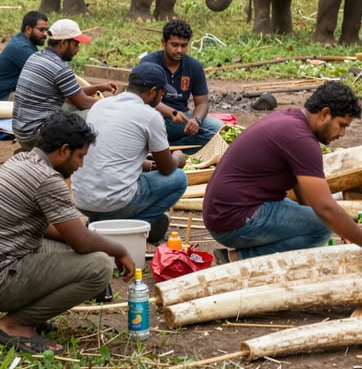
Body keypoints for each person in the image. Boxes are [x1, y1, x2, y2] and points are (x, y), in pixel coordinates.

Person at [202, 81, 362, 270]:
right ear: (325, 114)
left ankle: (236, 256)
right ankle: (237, 259)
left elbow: (305, 193)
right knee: (321, 228)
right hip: (233, 220)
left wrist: (342, 227)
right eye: (341, 125)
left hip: (226, 211)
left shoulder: (293, 119)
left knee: (323, 221)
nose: (342, 133)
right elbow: (324, 207)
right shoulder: (301, 140)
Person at [0, 113, 135, 354]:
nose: (81, 165)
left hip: (9, 255)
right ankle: (15, 325)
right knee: (99, 266)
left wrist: (86, 238)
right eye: (80, 156)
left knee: (71, 248)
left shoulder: (20, 161)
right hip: (4, 276)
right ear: (64, 150)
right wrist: (120, 249)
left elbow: (58, 229)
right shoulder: (47, 179)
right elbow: (83, 242)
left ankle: (31, 315)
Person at [71, 63, 188, 245]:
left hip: (82, 199)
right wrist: (178, 159)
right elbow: (167, 168)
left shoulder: (100, 105)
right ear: (152, 91)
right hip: (113, 202)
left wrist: (147, 164)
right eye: (161, 93)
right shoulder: (150, 115)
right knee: (179, 179)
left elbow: (109, 154)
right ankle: (134, 228)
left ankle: (99, 224)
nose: (161, 97)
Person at [12, 19, 118, 149]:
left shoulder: (37, 57)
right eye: (76, 44)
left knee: (70, 107)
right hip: (37, 136)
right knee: (97, 115)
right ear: (63, 43)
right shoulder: (59, 67)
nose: (78, 49)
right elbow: (82, 102)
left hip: (22, 132)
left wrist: (99, 87)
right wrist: (115, 104)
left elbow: (73, 94)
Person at [139, 19, 222, 154]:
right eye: (174, 45)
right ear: (163, 43)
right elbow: (143, 98)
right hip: (152, 117)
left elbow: (202, 103)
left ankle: (170, 151)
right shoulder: (149, 64)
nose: (179, 50)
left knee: (217, 128)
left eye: (184, 46)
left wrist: (196, 120)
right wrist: (172, 113)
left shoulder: (194, 66)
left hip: (181, 121)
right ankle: (164, 152)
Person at [0, 11, 49, 101]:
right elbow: (45, 75)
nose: (45, 34)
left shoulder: (27, 43)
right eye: (41, 30)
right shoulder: (21, 47)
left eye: (46, 30)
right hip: (5, 97)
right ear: (28, 29)